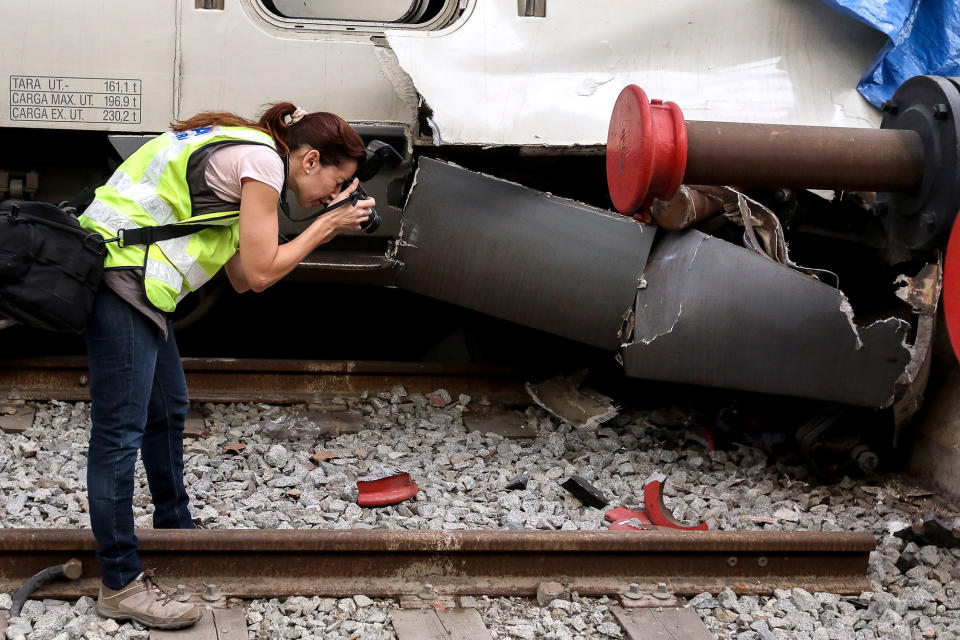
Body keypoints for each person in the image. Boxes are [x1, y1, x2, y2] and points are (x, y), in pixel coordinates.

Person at [77, 103, 372, 629]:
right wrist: (325, 227)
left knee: (168, 409)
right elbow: (260, 274)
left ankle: (173, 525)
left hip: (138, 286)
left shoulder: (248, 158)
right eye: (338, 179)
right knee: (118, 436)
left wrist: (316, 223)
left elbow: (237, 275)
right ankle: (120, 583)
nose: (336, 193)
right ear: (308, 160)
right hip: (121, 280)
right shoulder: (262, 163)